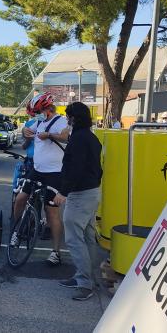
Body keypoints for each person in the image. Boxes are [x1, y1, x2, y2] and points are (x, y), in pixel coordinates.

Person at [11, 92, 69, 266]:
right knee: (20, 198)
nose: (38, 114)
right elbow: (27, 131)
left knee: (51, 212)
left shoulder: (61, 121)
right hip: (36, 170)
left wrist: (50, 136)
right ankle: (16, 230)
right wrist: (25, 130)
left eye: (40, 111)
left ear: (48, 109)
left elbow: (66, 137)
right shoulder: (40, 122)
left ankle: (56, 251)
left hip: (55, 173)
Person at [54, 102, 103, 301]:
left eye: (68, 116)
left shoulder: (79, 139)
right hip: (92, 191)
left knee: (74, 239)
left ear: (74, 118)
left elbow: (75, 168)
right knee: (88, 236)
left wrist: (63, 192)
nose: (66, 119)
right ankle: (86, 276)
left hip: (80, 194)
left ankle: (84, 283)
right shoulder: (90, 137)